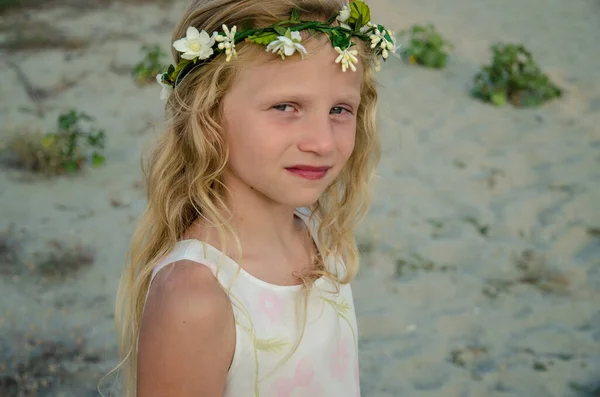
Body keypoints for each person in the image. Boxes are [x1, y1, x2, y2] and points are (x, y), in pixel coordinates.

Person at [113, 0, 396, 395]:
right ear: (208, 116)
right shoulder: (194, 296)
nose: (322, 142)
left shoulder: (320, 238)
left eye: (339, 110)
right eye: (285, 106)